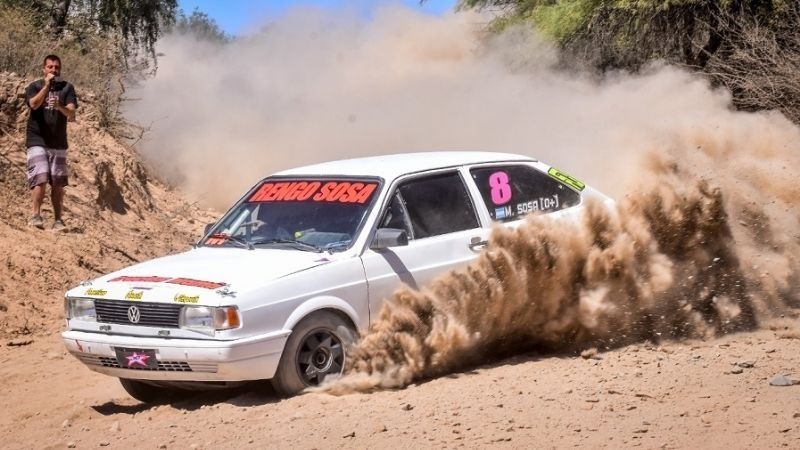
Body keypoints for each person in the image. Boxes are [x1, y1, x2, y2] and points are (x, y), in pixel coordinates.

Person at [25, 54, 77, 230]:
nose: (53, 70)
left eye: (56, 67)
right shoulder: (35, 86)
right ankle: (35, 215)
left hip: (58, 142)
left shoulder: (67, 88)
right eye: (50, 67)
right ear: (44, 69)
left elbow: (71, 113)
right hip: (37, 138)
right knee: (40, 176)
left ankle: (58, 220)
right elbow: (33, 104)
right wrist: (46, 86)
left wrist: (59, 107)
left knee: (57, 182)